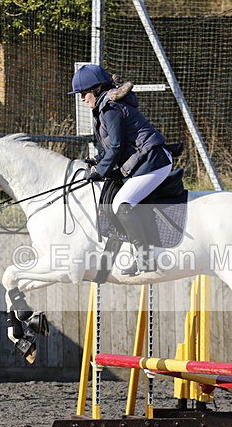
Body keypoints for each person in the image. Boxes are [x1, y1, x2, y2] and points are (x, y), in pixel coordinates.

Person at [68, 64, 172, 275]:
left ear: (97, 89)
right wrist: (96, 160)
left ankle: (145, 259)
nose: (81, 98)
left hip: (155, 161)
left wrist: (101, 170)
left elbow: (116, 146)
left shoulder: (110, 108)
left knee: (122, 204)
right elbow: (114, 145)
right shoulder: (104, 106)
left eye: (83, 93)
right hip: (144, 160)